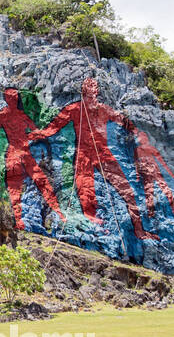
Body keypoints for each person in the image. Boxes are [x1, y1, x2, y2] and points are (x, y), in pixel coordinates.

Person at [30, 77, 158, 241]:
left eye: (94, 87)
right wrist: (36, 135)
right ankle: (90, 221)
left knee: (127, 191)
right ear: (83, 91)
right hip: (84, 154)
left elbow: (124, 122)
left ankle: (139, 231)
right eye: (88, 88)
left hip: (103, 154)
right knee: (85, 189)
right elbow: (52, 128)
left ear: (97, 91)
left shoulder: (104, 110)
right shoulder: (75, 109)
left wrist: (138, 133)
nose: (91, 90)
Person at [0, 88, 64, 231]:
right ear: (6, 99)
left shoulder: (22, 115)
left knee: (41, 180)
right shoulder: (3, 114)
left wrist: (37, 135)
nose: (13, 99)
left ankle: (58, 211)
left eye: (15, 97)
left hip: (25, 152)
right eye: (10, 97)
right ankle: (17, 220)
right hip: (13, 152)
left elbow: (34, 130)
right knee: (14, 186)